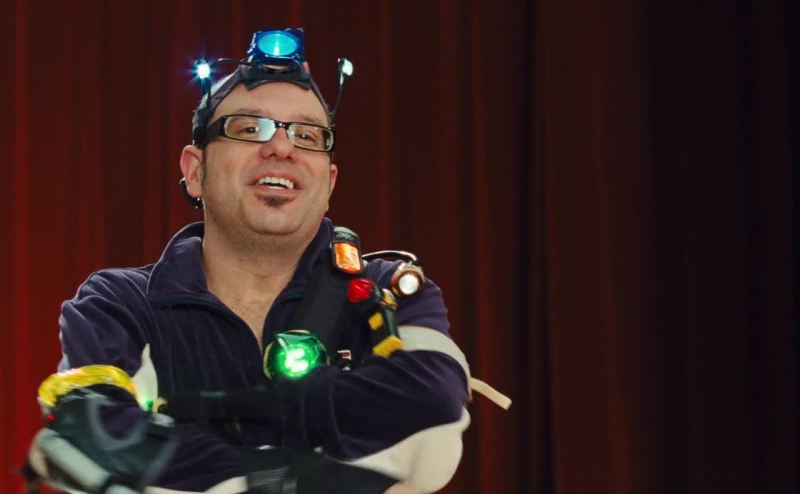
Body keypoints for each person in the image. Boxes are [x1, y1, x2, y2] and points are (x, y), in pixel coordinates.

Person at [26, 28, 486, 494]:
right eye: (248, 129)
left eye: (307, 135)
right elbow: (96, 435)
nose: (282, 148)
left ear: (329, 183)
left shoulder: (392, 290)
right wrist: (299, 472)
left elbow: (433, 410)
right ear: (195, 172)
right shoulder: (117, 303)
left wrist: (201, 447)